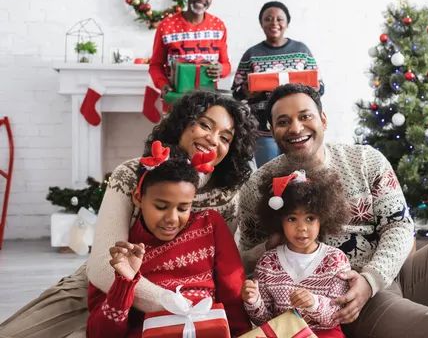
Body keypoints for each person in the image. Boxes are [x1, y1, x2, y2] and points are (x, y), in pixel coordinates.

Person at [236, 84, 428, 338]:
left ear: (323, 120)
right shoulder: (258, 185)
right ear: (272, 131)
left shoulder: (364, 160)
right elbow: (248, 261)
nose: (296, 128)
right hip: (343, 299)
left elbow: (400, 227)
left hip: (387, 276)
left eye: (305, 116)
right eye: (283, 121)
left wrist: (372, 279)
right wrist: (271, 246)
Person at [0, 91, 257, 338]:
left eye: (225, 137)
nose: (213, 139)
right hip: (111, 281)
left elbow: (228, 265)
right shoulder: (133, 173)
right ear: (183, 123)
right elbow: (103, 267)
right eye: (205, 125)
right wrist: (174, 306)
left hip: (182, 300)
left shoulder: (227, 192)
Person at [87, 143, 251, 337]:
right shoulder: (124, 249)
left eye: (183, 208)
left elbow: (232, 293)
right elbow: (99, 334)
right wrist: (124, 283)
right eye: (161, 206)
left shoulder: (209, 225)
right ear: (138, 198)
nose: (172, 219)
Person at [241, 166, 351, 338]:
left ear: (323, 218)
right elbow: (266, 321)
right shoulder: (268, 262)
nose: (302, 228)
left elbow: (336, 316)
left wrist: (314, 303)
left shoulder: (335, 260)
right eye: (292, 219)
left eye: (310, 218)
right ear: (280, 221)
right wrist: (254, 301)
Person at [231, 1, 324, 167]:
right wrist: (247, 91)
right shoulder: (251, 54)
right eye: (268, 19)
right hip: (263, 128)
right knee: (270, 173)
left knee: (302, 172)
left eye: (279, 19)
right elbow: (236, 92)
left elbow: (320, 87)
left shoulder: (301, 50)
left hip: (300, 127)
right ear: (261, 23)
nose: (274, 23)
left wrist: (312, 87)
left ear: (287, 22)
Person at [149, 0, 231, 99]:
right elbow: (155, 65)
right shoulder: (166, 26)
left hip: (208, 101)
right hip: (176, 100)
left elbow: (226, 64)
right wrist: (163, 84)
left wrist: (221, 70)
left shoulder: (218, 27)